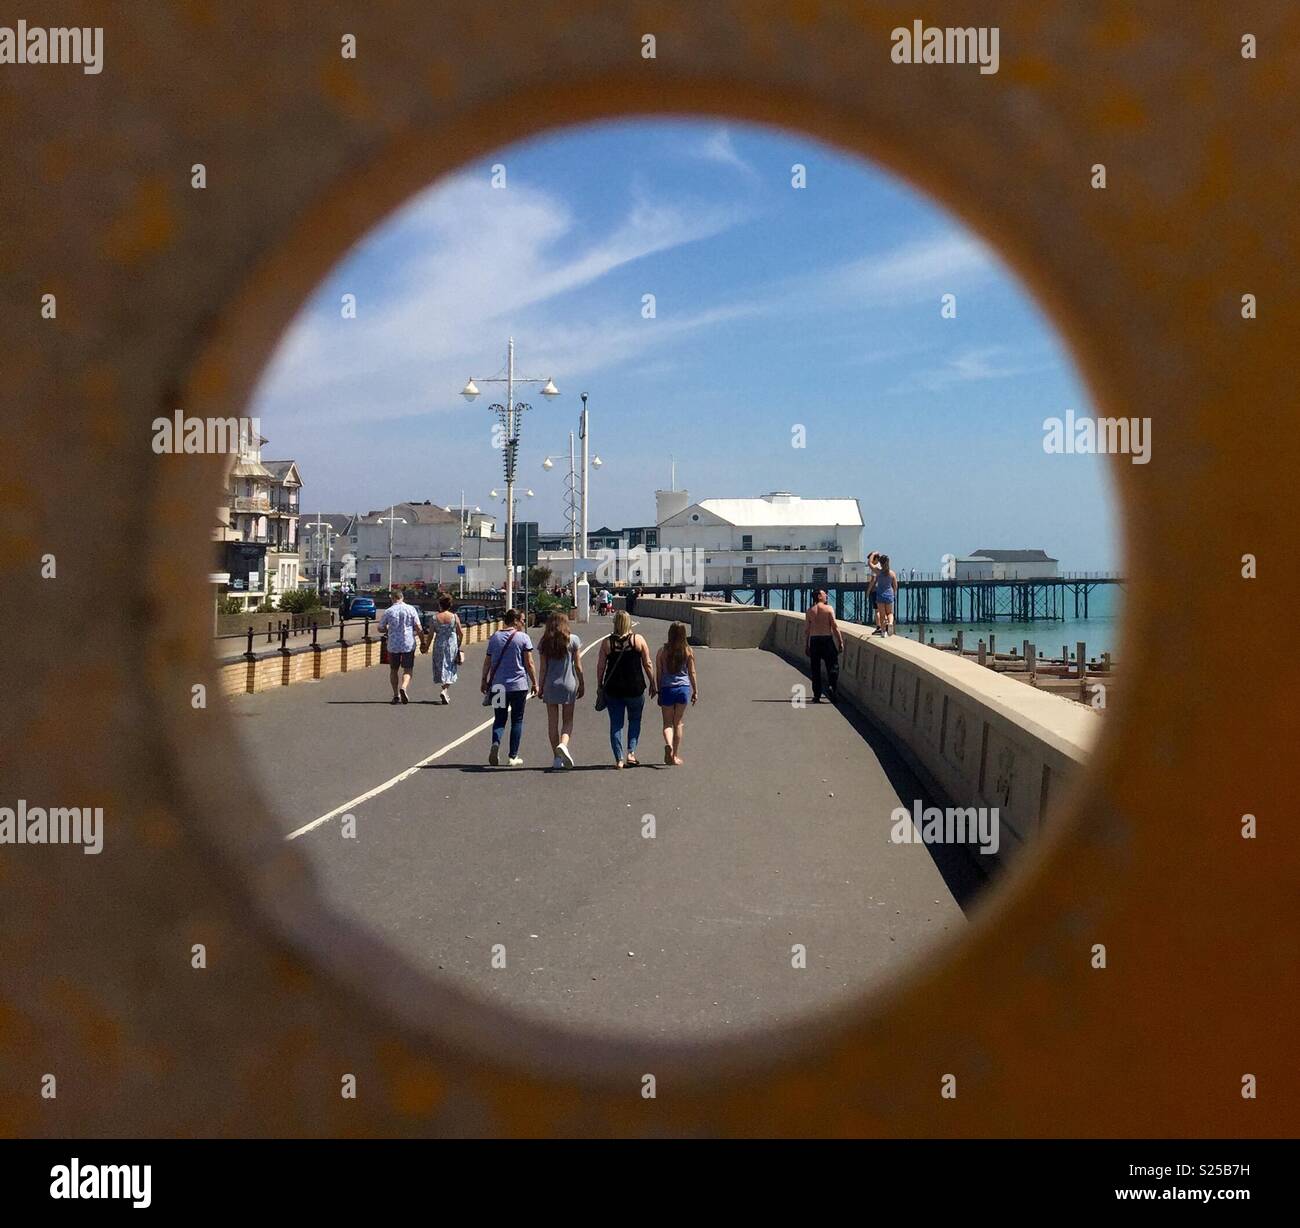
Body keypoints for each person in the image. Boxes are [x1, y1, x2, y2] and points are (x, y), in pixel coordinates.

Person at [596, 610, 656, 768]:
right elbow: (647, 663)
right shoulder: (638, 640)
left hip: (613, 689)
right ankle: (631, 753)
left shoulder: (607, 643)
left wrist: (599, 685)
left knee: (616, 724)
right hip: (635, 688)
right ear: (629, 623)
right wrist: (653, 682)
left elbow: (601, 667)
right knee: (635, 720)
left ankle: (619, 759)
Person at [481, 609, 537, 767]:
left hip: (498, 685)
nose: (524, 623)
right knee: (517, 720)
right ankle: (513, 756)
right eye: (523, 620)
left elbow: (488, 662)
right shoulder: (523, 638)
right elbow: (529, 663)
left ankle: (496, 743)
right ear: (515, 621)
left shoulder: (495, 638)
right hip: (518, 686)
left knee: (499, 718)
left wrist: (483, 680)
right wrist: (535, 682)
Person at [537, 612, 584, 770]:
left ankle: (556, 759)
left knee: (552, 722)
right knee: (568, 720)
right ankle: (563, 745)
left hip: (550, 684)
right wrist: (582, 683)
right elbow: (577, 666)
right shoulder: (573, 640)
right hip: (568, 684)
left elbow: (543, 669)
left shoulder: (544, 643)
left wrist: (540, 686)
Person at [655, 621, 698, 766]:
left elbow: (659, 673)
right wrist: (695, 690)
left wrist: (658, 690)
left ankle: (669, 745)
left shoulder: (662, 651)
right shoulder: (688, 651)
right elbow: (692, 672)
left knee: (667, 723)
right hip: (683, 689)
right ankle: (675, 756)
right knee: (678, 722)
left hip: (667, 688)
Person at [377, 588, 421, 704]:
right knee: (408, 669)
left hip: (393, 644)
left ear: (392, 598)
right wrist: (423, 641)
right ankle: (404, 687)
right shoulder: (411, 609)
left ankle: (396, 694)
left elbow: (380, 628)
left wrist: (387, 628)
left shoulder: (389, 611)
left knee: (393, 669)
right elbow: (418, 627)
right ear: (402, 597)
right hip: (408, 643)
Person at [804, 588, 845, 703]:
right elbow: (835, 626)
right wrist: (840, 641)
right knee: (833, 666)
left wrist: (806, 645)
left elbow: (807, 630)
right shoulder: (828, 609)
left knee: (815, 669)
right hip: (826, 640)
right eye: (824, 594)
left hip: (814, 641)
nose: (826, 595)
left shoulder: (810, 611)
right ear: (819, 597)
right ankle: (832, 686)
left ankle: (817, 695)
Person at [421, 594, 463, 705]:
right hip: (451, 645)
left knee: (441, 666)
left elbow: (430, 635)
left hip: (439, 644)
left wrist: (426, 647)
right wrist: (459, 645)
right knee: (450, 667)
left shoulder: (434, 618)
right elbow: (461, 633)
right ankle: (445, 690)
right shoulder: (454, 617)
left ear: (440, 605)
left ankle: (445, 690)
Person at [870, 554, 898, 636]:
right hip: (889, 595)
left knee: (882, 615)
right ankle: (890, 623)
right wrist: (893, 594)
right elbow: (895, 586)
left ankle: (883, 632)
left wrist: (873, 554)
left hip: (880, 595)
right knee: (890, 613)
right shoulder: (892, 573)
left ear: (880, 563)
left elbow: (869, 563)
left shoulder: (878, 572)